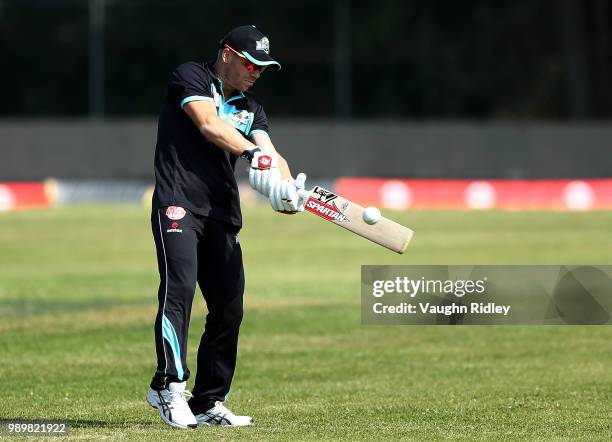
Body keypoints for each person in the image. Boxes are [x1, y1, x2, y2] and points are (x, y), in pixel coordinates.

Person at [145, 25, 306, 429]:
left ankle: (208, 400)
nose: (257, 71)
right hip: (178, 203)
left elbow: (271, 153)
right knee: (178, 291)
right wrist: (253, 154)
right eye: (251, 63)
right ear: (228, 54)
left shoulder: (251, 106)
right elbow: (209, 125)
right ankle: (168, 387)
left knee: (229, 307)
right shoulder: (191, 76)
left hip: (221, 214)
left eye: (263, 67)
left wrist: (286, 190)